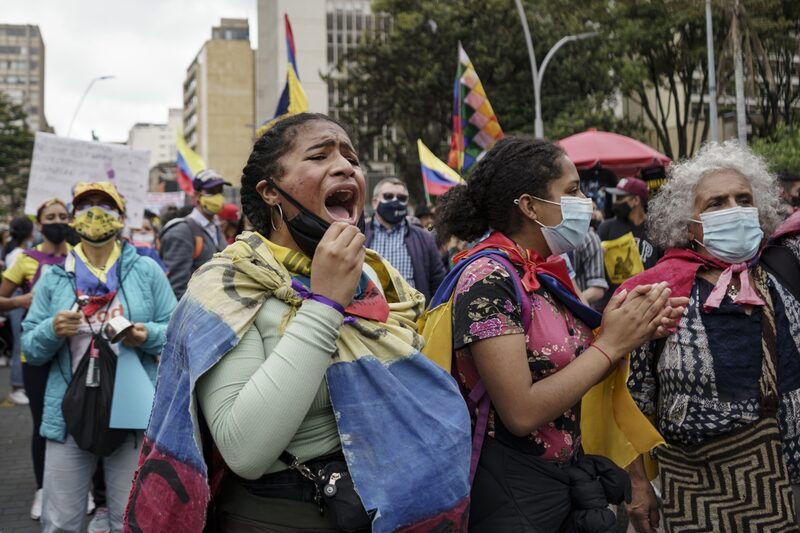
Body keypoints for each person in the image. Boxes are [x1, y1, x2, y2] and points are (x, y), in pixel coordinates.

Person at [125, 113, 472, 532]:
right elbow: (244, 451)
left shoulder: (379, 278)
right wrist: (325, 304)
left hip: (390, 509)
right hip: (288, 515)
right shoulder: (229, 284)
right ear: (271, 191)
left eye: (351, 158)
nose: (345, 167)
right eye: (319, 156)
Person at [434, 137, 684, 530]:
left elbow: (573, 369)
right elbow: (521, 413)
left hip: (559, 478)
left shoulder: (539, 272)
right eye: (572, 191)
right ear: (530, 206)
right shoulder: (489, 279)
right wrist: (610, 345)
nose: (586, 202)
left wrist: (632, 327)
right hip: (511, 488)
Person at [623, 142, 800, 532]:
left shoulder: (786, 270)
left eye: (743, 199)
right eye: (716, 203)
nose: (734, 209)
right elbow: (631, 397)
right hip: (699, 490)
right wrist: (637, 484)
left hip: (792, 481)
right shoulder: (657, 292)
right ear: (690, 226)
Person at [22, 182, 176, 533]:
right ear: (74, 218)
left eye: (105, 206)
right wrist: (51, 329)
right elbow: (30, 347)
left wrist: (146, 335)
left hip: (132, 412)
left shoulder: (146, 270)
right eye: (86, 205)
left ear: (121, 217)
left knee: (129, 520)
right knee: (60, 522)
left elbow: (177, 334)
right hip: (68, 413)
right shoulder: (54, 277)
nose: (95, 212)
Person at [0, 200, 70, 520]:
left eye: (63, 216)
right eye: (50, 217)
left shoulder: (80, 256)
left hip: (73, 353)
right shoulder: (25, 260)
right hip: (36, 354)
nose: (57, 221)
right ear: (39, 224)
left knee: (77, 419)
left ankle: (77, 488)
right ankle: (43, 489)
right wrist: (22, 300)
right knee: (43, 423)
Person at [364, 178, 446, 303]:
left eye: (401, 198)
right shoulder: (360, 234)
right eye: (388, 196)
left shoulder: (424, 238)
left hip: (413, 313)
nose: (395, 201)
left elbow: (438, 282)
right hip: (368, 311)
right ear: (375, 202)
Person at [159, 169, 230, 299]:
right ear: (196, 196)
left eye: (220, 191)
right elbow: (176, 289)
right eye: (211, 191)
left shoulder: (216, 227)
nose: (218, 197)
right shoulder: (181, 232)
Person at [597, 177, 661, 309]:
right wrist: (597, 254)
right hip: (611, 304)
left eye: (620, 198)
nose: (616, 202)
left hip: (646, 305)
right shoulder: (606, 228)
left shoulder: (657, 230)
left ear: (636, 200)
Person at [568, 229, 608, 307]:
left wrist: (572, 302)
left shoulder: (589, 239)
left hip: (577, 308)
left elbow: (598, 289)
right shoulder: (550, 239)